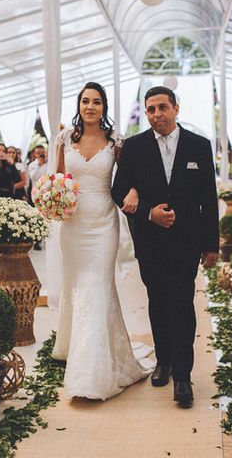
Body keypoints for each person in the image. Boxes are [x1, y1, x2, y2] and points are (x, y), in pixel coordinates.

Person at [112, 85, 219, 408]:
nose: (156, 114)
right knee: (157, 302)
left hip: (187, 242)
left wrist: (211, 244)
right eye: (150, 109)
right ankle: (164, 361)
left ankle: (183, 376)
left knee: (183, 304)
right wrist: (147, 212)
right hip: (151, 241)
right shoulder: (134, 147)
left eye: (162, 107)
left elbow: (208, 198)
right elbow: (118, 191)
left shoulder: (199, 146)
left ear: (176, 108)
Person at [50, 82, 151, 401]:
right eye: (84, 101)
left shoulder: (115, 141)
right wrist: (54, 200)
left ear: (104, 107)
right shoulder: (64, 139)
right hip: (74, 223)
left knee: (98, 286)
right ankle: (78, 350)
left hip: (105, 222)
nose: (90, 106)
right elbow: (59, 179)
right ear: (78, 105)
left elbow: (129, 177)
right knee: (79, 286)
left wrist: (134, 190)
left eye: (96, 102)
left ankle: (90, 374)